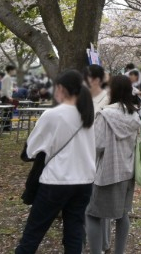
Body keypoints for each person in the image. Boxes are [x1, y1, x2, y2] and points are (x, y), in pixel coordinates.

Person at [15, 70, 96, 254]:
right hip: (84, 181)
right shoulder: (88, 115)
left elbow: (30, 150)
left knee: (33, 232)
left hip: (56, 181)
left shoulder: (53, 115)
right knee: (74, 231)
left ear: (61, 88)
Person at [86, 75, 141, 254]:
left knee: (92, 214)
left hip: (107, 173)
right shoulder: (134, 115)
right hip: (128, 171)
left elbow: (97, 144)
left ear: (113, 91)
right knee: (122, 214)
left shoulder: (105, 114)